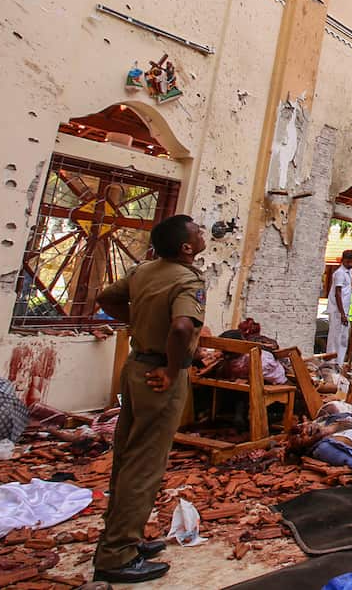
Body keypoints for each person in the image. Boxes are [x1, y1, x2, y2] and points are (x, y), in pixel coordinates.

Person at [91, 215, 206, 584]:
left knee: (127, 455)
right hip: (160, 376)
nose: (203, 233)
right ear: (186, 248)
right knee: (145, 464)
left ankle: (122, 537)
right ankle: (118, 555)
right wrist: (173, 370)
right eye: (197, 231)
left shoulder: (144, 271)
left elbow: (106, 297)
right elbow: (182, 326)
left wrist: (138, 322)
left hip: (136, 368)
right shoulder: (187, 279)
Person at [325, 250, 352, 365]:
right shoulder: (340, 273)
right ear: (343, 260)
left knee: (343, 338)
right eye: (348, 261)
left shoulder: (349, 271)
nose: (350, 264)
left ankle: (339, 363)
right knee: (335, 338)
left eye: (351, 261)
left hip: (345, 310)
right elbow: (338, 293)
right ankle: (331, 363)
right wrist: (342, 313)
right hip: (338, 311)